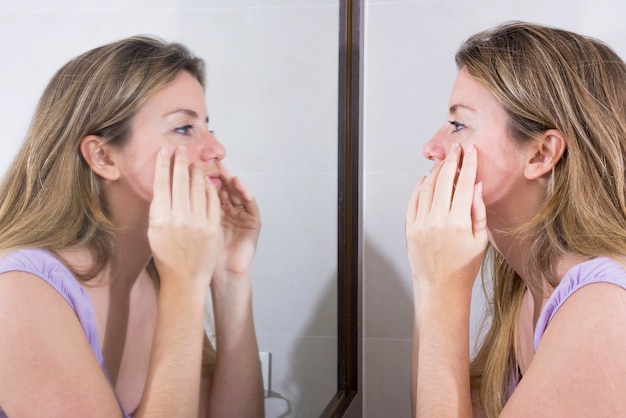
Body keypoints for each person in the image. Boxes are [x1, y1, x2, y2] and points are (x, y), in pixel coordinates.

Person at [0, 35, 264, 417]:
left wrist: (229, 276)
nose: (216, 149)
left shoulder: (156, 279)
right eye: (184, 128)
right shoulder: (18, 294)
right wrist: (186, 285)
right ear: (103, 157)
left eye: (208, 125)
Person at [405, 21, 626, 417]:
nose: (431, 147)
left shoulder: (606, 310)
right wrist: (428, 280)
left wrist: (442, 292)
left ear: (541, 154)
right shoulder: (528, 285)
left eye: (458, 124)